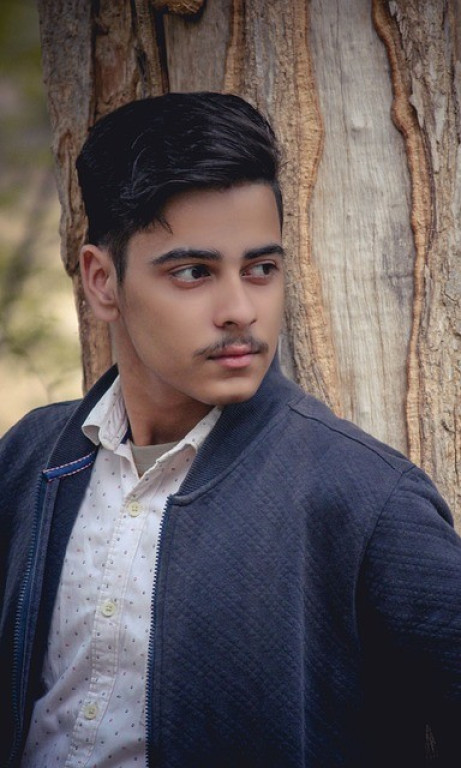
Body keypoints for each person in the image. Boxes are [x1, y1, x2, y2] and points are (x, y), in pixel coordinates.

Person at [0, 92, 460, 768]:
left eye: (260, 269)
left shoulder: (364, 499)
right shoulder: (30, 457)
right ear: (102, 280)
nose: (240, 310)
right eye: (194, 272)